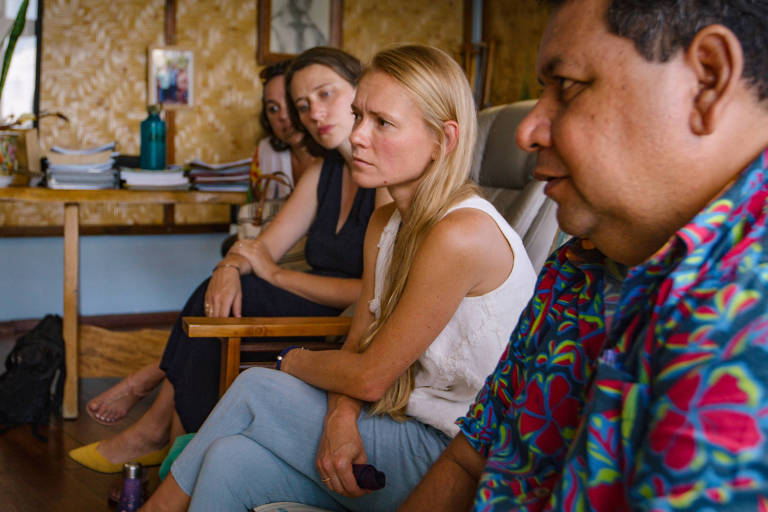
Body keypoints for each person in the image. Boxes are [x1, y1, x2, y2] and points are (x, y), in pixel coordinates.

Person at [400, 0, 768, 510]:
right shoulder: (580, 265)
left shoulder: (746, 311)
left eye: (567, 87)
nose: (528, 132)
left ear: (706, 80)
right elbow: (472, 456)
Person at [139, 43, 537, 512]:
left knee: (254, 389)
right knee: (230, 459)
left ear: (443, 141)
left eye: (382, 123)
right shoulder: (384, 222)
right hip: (396, 423)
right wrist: (340, 417)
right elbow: (360, 345)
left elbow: (369, 377)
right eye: (358, 115)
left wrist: (292, 360)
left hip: (458, 456)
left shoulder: (461, 233)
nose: (358, 136)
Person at [69, 47, 390, 474]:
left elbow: (368, 291)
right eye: (303, 105)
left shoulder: (385, 178)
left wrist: (271, 273)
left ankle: (173, 446)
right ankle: (178, 448)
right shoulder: (323, 173)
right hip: (304, 296)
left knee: (235, 306)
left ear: (359, 91)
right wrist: (226, 269)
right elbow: (257, 248)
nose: (314, 112)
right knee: (221, 295)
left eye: (326, 94)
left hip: (348, 316)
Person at [85, 59, 319, 427]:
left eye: (292, 105)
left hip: (298, 276)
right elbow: (259, 230)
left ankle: (153, 400)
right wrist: (230, 265)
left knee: (218, 306)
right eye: (272, 108)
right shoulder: (273, 154)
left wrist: (258, 268)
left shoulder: (335, 167)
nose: (283, 117)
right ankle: (162, 428)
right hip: (269, 260)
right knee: (217, 293)